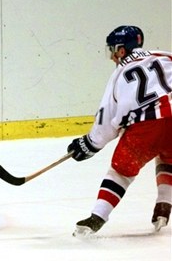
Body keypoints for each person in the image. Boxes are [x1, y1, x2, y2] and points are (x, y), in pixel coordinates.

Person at [67, 25, 172, 236]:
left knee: (121, 171)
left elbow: (108, 118)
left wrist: (90, 143)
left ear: (122, 50)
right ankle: (164, 205)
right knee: (168, 157)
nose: (112, 57)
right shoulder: (166, 55)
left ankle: (97, 216)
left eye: (113, 50)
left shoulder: (119, 74)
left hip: (146, 127)